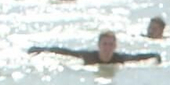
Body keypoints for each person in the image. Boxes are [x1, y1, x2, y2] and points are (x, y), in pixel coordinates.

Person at [29, 30, 161, 65]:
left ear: (115, 46)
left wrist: (156, 56)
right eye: (104, 44)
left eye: (110, 45)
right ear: (98, 45)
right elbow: (65, 52)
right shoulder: (89, 56)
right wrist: (41, 49)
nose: (107, 48)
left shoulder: (120, 58)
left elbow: (138, 57)